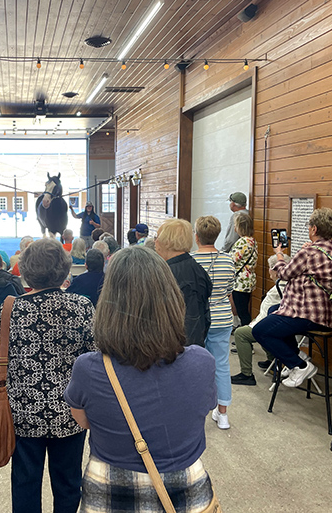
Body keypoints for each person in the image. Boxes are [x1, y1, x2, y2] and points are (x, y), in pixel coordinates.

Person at [64, 246, 219, 511]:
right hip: (186, 492)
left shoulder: (88, 368)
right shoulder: (201, 362)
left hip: (109, 490)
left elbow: (83, 419)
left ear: (109, 304)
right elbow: (203, 408)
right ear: (172, 299)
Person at [0, 238, 95, 512]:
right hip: (71, 412)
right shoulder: (81, 307)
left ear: (26, 270)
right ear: (64, 269)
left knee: (24, 482)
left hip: (22, 413)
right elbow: (96, 356)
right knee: (69, 483)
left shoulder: (10, 308)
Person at [252, 207, 332, 388]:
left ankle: (300, 364)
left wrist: (279, 254)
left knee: (260, 330)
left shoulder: (308, 253)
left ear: (314, 229)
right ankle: (296, 356)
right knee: (274, 310)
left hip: (312, 316)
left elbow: (284, 273)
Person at [191, 215, 235, 430]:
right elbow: (229, 291)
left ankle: (195, 410)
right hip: (223, 318)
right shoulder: (228, 260)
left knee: (194, 365)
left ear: (196, 236)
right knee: (221, 365)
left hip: (198, 319)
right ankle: (223, 413)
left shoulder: (191, 261)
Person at [231, 254, 291, 386]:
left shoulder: (280, 288)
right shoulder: (285, 285)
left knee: (241, 333)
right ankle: (271, 360)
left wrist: (254, 324)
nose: (269, 270)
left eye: (271, 267)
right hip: (276, 325)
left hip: (274, 326)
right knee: (260, 327)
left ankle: (246, 374)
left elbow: (268, 314)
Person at [156, 218, 212, 347]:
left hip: (176, 347)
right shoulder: (196, 268)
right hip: (195, 340)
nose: (156, 242)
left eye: (157, 237)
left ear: (168, 241)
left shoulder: (168, 274)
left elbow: (189, 319)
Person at [230, 212, 258, 327]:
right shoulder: (252, 241)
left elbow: (233, 259)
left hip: (240, 282)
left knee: (242, 311)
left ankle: (245, 333)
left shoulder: (243, 242)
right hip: (248, 280)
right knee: (244, 308)